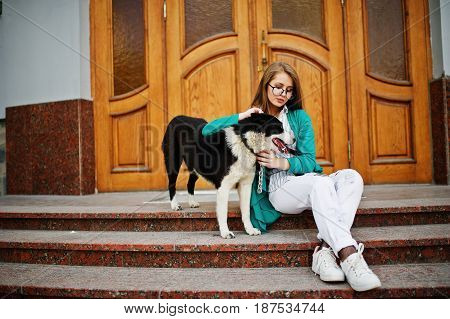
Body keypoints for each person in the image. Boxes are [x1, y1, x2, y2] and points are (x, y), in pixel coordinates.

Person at [201, 61, 381, 292]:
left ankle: (325, 252)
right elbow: (207, 131)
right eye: (277, 87)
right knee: (320, 183)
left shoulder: (299, 118)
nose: (282, 94)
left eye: (288, 90)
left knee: (352, 178)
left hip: (306, 181)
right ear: (266, 85)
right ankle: (349, 256)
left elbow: (309, 161)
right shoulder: (254, 118)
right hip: (278, 189)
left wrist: (283, 161)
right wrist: (241, 115)